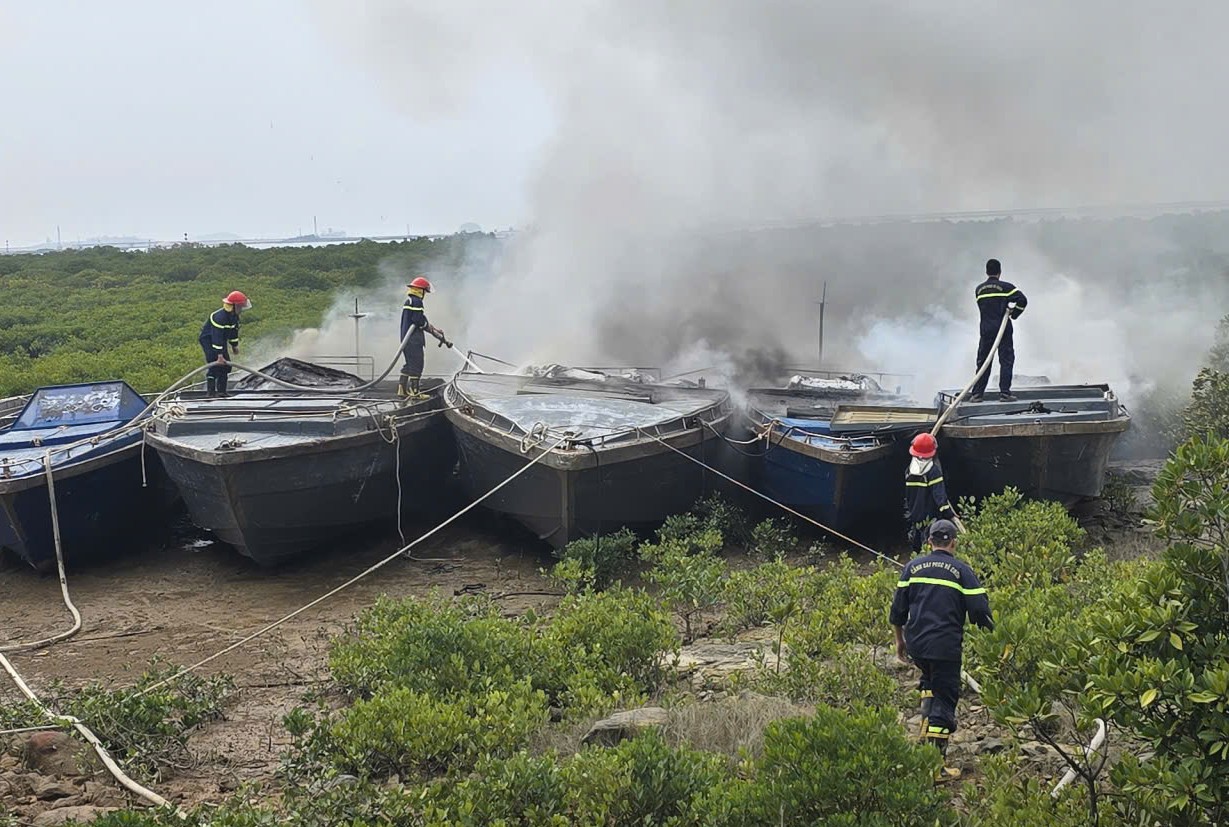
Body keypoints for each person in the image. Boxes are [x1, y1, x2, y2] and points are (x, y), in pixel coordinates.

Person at [890, 518, 993, 780]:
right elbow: (980, 609)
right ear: (954, 543)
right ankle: (935, 767)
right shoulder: (962, 571)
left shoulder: (912, 567)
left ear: (929, 543)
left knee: (929, 685)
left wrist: (900, 641)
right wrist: (992, 634)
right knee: (945, 702)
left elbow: (897, 612)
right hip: (945, 647)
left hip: (918, 646)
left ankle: (924, 745)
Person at [970, 258, 1027, 402]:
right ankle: (1005, 394)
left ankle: (977, 394)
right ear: (999, 272)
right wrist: (1014, 314)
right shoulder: (1007, 288)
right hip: (1002, 329)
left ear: (986, 272)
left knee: (983, 362)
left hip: (986, 329)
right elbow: (1023, 300)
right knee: (1006, 360)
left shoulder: (979, 290)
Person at [398, 276, 450, 398]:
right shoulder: (417, 301)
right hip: (413, 339)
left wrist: (433, 328)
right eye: (425, 292)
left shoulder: (410, 300)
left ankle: (402, 389)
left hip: (406, 338)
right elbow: (418, 320)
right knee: (417, 364)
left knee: (409, 364)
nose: (425, 294)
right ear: (420, 290)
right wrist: (427, 327)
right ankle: (415, 392)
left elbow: (419, 318)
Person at [904, 433, 955, 552]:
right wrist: (949, 514)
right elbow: (940, 497)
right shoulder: (933, 472)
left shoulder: (909, 471)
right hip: (931, 518)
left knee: (917, 545)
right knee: (931, 543)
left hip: (914, 516)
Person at [198, 291, 250, 398]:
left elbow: (233, 333)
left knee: (226, 366)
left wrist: (234, 345)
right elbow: (217, 338)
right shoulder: (219, 317)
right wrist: (219, 355)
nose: (241, 309)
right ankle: (211, 393)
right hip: (209, 341)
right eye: (240, 306)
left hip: (221, 342)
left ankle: (222, 392)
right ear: (234, 306)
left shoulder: (234, 316)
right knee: (215, 365)